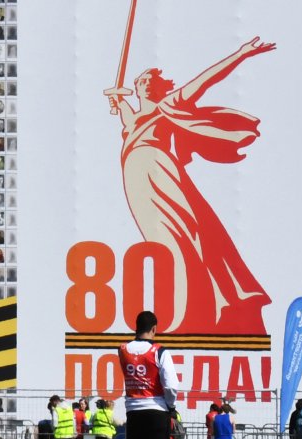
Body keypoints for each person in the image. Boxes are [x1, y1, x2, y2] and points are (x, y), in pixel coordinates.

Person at [106, 38, 275, 334]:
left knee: (181, 235)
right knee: (158, 239)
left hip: (160, 171)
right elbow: (125, 114)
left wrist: (239, 54)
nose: (143, 82)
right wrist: (117, 99)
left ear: (158, 86)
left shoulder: (170, 104)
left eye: (148, 79)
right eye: (140, 79)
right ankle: (185, 307)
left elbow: (206, 79)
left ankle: (195, 310)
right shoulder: (133, 117)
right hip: (135, 175)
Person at [118, 310, 180, 439]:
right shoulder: (159, 351)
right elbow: (171, 386)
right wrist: (171, 407)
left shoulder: (122, 350)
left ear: (136, 327)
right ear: (154, 329)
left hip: (133, 412)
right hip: (157, 411)